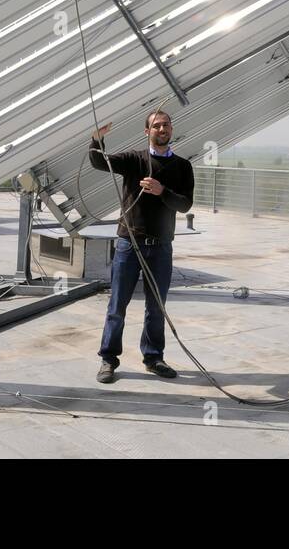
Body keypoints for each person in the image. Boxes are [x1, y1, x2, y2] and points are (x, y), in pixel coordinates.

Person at [89, 109, 194, 384]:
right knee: (117, 305)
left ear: (171, 129)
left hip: (161, 247)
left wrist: (162, 191)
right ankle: (108, 359)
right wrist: (96, 139)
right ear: (147, 131)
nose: (162, 129)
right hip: (130, 244)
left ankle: (153, 358)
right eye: (156, 126)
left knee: (156, 306)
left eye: (166, 124)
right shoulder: (134, 160)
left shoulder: (182, 166)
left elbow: (185, 204)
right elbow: (99, 162)